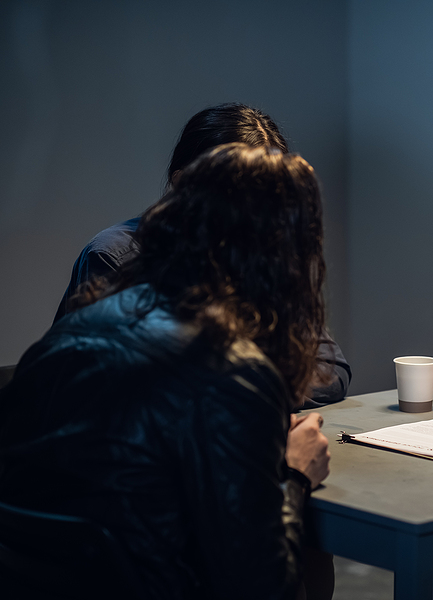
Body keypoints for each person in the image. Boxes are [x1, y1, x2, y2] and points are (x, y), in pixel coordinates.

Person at [0, 144, 332, 599]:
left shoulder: (81, 324)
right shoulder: (235, 370)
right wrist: (295, 475)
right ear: (284, 253)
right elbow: (265, 589)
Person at [53, 103, 350, 406]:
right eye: (241, 189)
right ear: (184, 182)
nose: (258, 210)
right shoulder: (117, 256)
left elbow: (330, 373)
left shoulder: (264, 256)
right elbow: (117, 392)